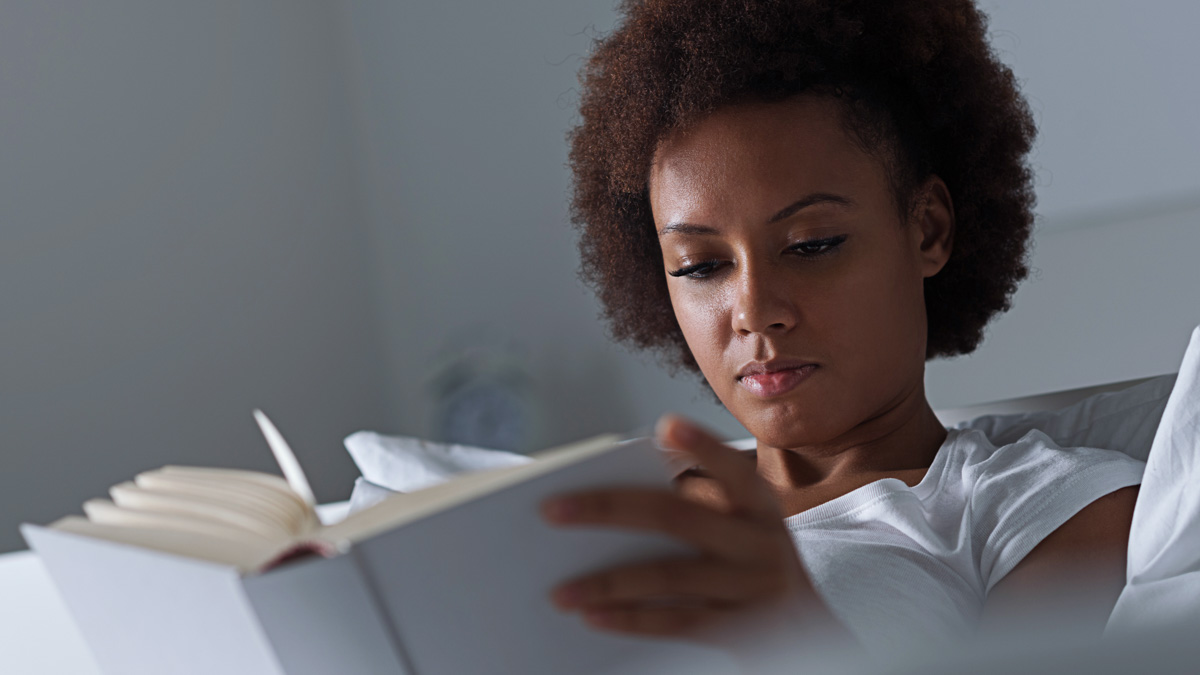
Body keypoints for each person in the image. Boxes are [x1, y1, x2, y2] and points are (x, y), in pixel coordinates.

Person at [537, 0, 1145, 658]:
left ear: (928, 229)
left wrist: (797, 632)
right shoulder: (612, 499)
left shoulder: (1042, 509)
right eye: (702, 264)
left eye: (811, 244)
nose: (753, 309)